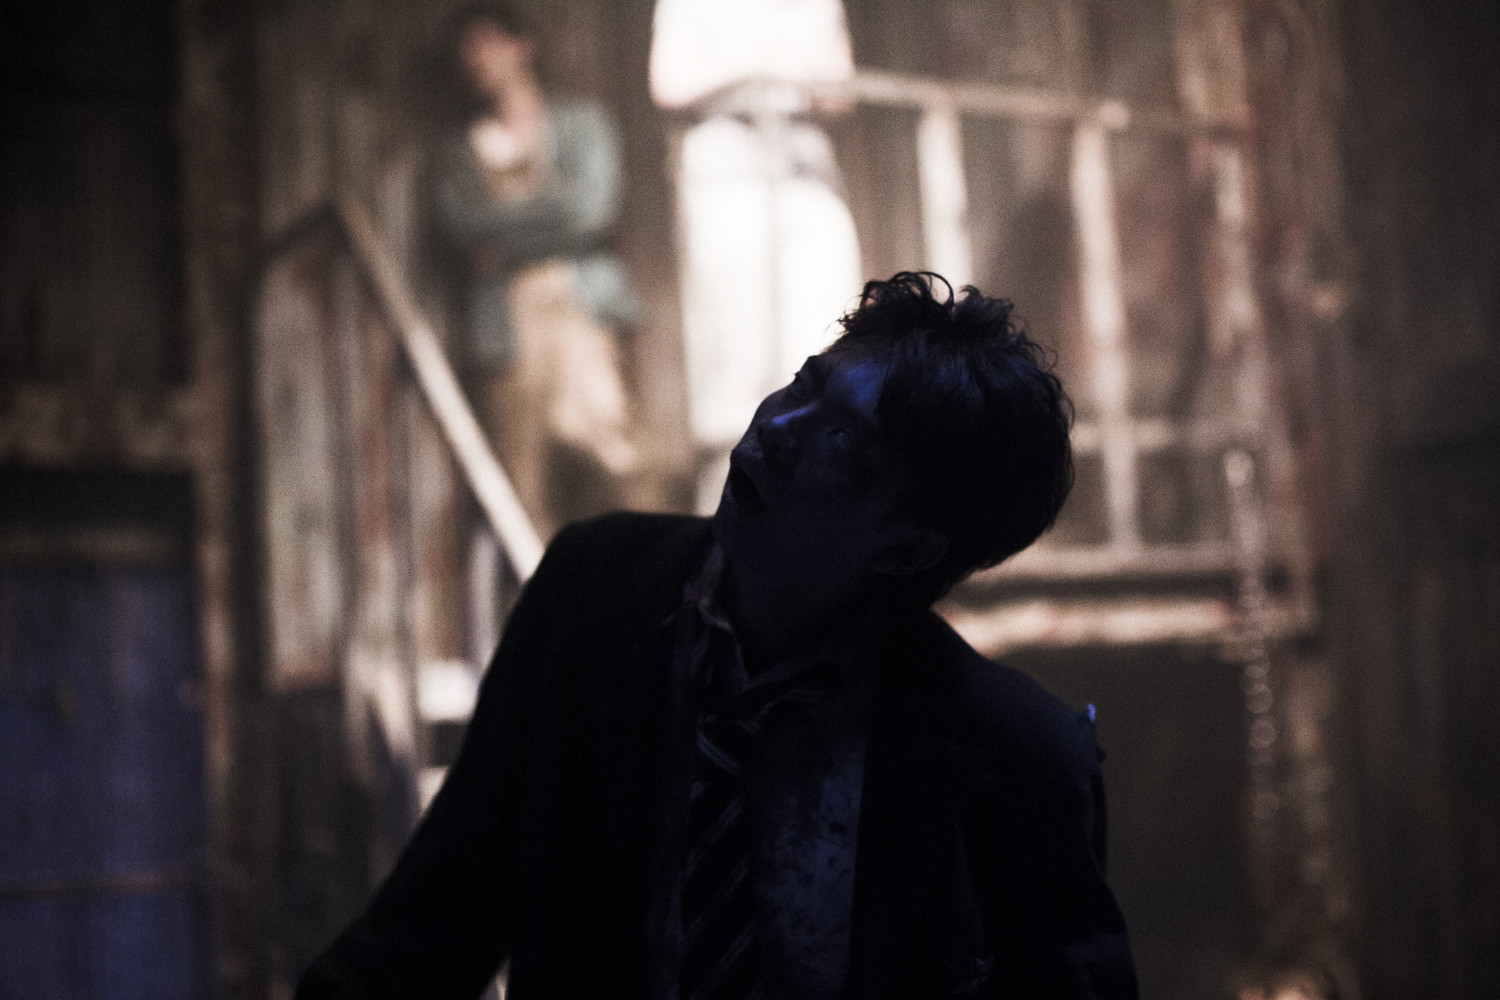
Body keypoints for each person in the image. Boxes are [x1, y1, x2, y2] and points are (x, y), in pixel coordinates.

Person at [297, 273, 1138, 999]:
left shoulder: (1013, 755)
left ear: (908, 546)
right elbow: (441, 912)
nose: (777, 427)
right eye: (804, 386)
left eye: (843, 438)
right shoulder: (594, 593)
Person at [430, 2, 640, 538]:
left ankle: (634, 579)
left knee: (609, 458)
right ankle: (542, 590)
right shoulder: (459, 150)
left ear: (521, 46)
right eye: (466, 50)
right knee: (520, 486)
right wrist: (552, 210)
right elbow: (463, 231)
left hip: (579, 310)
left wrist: (502, 239)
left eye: (486, 43)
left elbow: (590, 213)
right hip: (506, 328)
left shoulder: (581, 126)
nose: (475, 59)